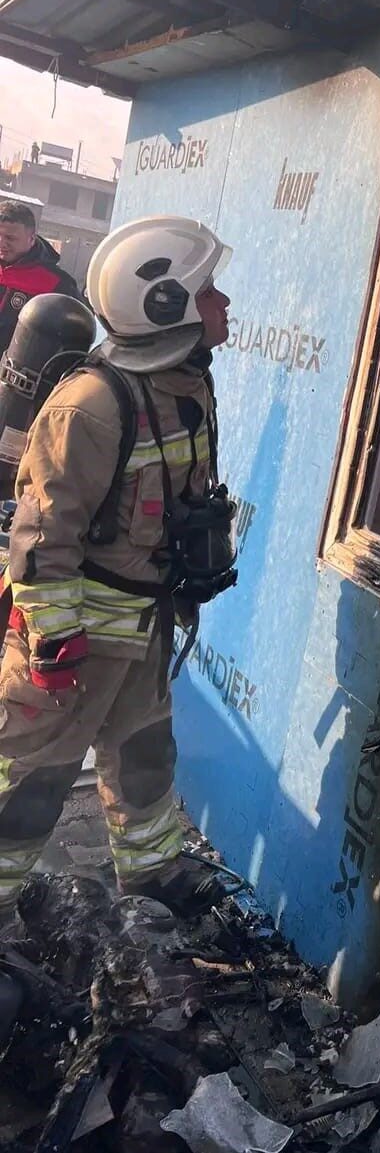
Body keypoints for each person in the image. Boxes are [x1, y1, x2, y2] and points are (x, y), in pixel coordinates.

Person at [0, 216, 236, 930]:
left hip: (144, 626)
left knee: (143, 761)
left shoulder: (187, 385)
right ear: (163, 304)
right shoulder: (94, 404)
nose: (223, 302)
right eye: (207, 291)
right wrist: (52, 637)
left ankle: (153, 876)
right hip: (74, 639)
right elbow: (42, 531)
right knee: (29, 783)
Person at [0, 199, 81, 357]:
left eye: (10, 238)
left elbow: (76, 336)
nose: (2, 243)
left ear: (31, 239)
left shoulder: (57, 284)